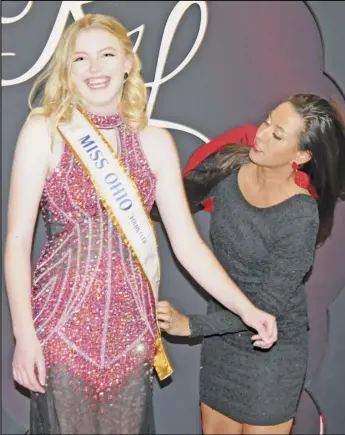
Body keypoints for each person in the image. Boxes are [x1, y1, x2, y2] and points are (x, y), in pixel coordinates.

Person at [4, 14, 278, 435]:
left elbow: (187, 243)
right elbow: (18, 240)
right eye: (80, 58)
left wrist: (247, 309)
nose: (95, 69)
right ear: (67, 68)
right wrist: (24, 335)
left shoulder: (155, 141)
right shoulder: (44, 131)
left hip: (132, 330)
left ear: (128, 63)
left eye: (107, 55)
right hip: (60, 326)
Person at [156, 94, 345, 435]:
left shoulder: (301, 215)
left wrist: (190, 326)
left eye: (277, 134)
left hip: (269, 352)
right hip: (221, 346)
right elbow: (166, 205)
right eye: (266, 122)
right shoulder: (229, 167)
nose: (260, 134)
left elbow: (267, 308)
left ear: (301, 156)